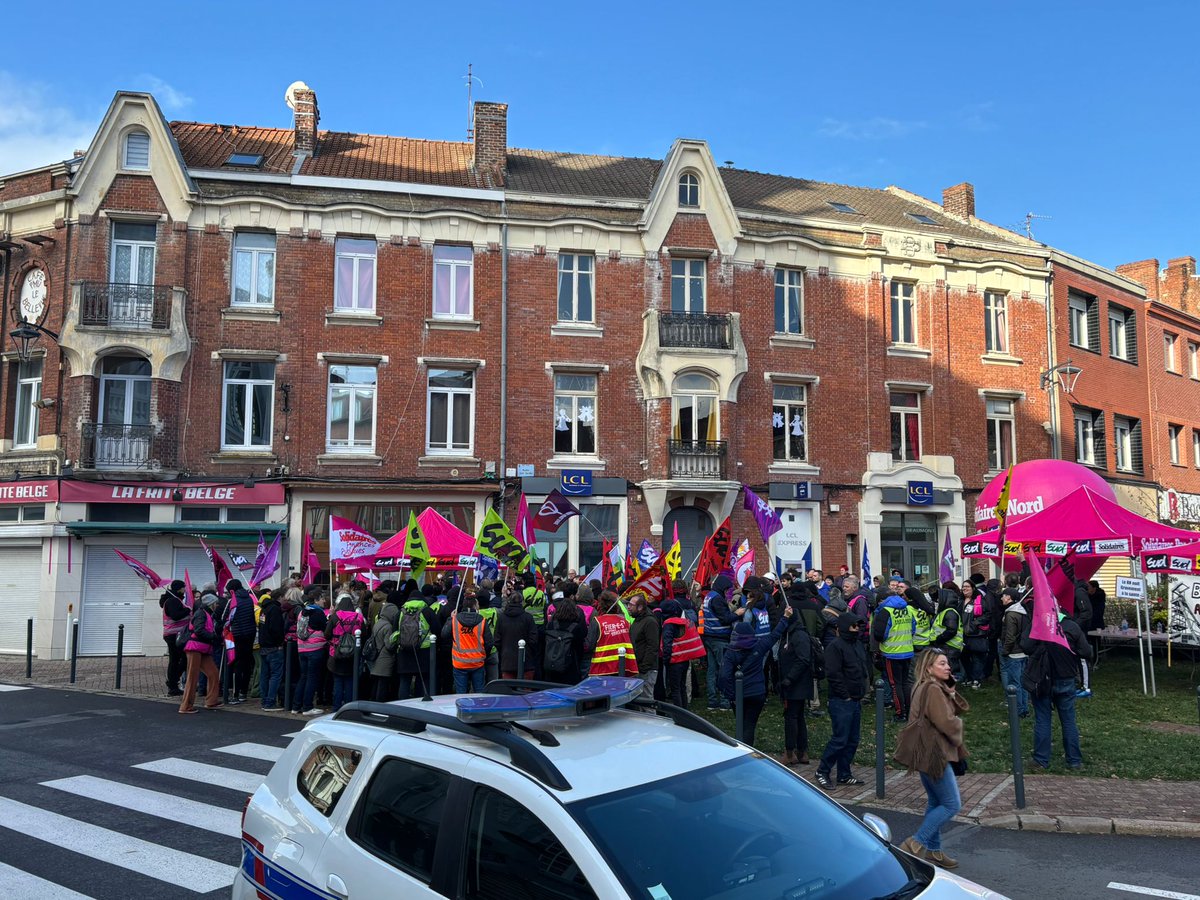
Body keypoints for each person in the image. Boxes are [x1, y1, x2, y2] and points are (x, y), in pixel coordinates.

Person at [894, 649, 969, 869]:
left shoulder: (924, 686)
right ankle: (916, 842)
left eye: (947, 663)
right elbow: (946, 722)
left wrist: (951, 693)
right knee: (951, 804)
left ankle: (934, 851)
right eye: (942, 664)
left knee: (936, 802)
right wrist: (959, 727)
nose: (948, 667)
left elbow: (945, 712)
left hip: (924, 752)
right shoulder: (933, 689)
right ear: (929, 668)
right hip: (936, 754)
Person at [1022, 611, 1091, 770]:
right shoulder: (1071, 626)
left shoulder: (1039, 624)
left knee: (1043, 719)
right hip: (1065, 677)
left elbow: (1025, 646)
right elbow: (1086, 651)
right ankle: (1074, 761)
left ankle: (1041, 760)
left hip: (1042, 678)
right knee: (1068, 720)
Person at [719, 609, 792, 747]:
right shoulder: (759, 646)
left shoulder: (730, 653)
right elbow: (775, 635)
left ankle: (741, 749)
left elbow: (724, 676)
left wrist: (731, 695)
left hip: (739, 695)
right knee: (750, 724)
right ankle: (748, 749)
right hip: (757, 693)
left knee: (741, 723)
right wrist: (785, 617)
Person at [815, 613, 870, 789]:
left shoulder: (857, 644)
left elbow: (861, 668)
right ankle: (822, 770)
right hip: (841, 701)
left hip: (855, 699)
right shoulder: (835, 647)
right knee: (840, 739)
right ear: (845, 627)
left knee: (852, 739)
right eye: (854, 626)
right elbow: (833, 674)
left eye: (858, 626)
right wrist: (845, 695)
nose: (857, 629)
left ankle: (844, 774)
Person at [873, 580, 916, 722]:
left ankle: (900, 713)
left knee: (895, 684)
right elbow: (913, 628)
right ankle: (909, 710)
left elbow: (879, 634)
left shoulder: (885, 611)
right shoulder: (908, 609)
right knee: (905, 683)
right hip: (907, 650)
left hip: (892, 653)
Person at [778, 604, 814, 766]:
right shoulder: (791, 633)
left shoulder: (798, 635)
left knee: (792, 717)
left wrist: (789, 679)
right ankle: (801, 751)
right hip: (795, 683)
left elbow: (803, 659)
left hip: (795, 684)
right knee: (797, 716)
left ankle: (790, 751)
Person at [179, 591, 223, 714]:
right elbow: (199, 630)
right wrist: (214, 637)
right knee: (192, 677)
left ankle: (211, 701)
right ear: (211, 604)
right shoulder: (201, 614)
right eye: (216, 603)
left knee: (213, 673)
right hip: (195, 647)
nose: (217, 605)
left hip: (201, 648)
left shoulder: (205, 613)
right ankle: (186, 706)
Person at [442, 594, 493, 694]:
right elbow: (489, 642)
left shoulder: (455, 620)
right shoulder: (482, 620)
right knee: (479, 693)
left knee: (461, 694)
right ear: (474, 606)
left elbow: (444, 634)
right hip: (477, 662)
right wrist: (484, 655)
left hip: (460, 662)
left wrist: (450, 618)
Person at [324, 594, 365, 711]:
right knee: (350, 682)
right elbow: (364, 634)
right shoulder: (358, 617)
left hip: (336, 653)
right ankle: (348, 707)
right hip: (353, 654)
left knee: (337, 682)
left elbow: (327, 634)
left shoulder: (335, 616)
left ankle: (336, 708)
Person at [660, 598, 705, 706]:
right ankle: (684, 710)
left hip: (674, 661)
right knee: (682, 687)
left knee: (675, 690)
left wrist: (666, 660)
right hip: (685, 660)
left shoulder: (668, 624)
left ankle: (678, 712)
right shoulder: (683, 622)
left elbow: (667, 644)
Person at [292, 589, 329, 715]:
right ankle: (307, 706)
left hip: (302, 648)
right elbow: (325, 629)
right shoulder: (318, 613)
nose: (324, 601)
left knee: (303, 677)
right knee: (312, 678)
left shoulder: (302, 611)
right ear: (316, 600)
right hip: (315, 648)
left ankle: (296, 706)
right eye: (322, 598)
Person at [700, 587, 736, 710]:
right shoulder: (717, 599)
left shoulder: (709, 596)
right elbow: (725, 618)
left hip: (709, 637)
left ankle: (712, 701)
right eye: (726, 590)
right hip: (720, 638)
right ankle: (725, 701)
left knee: (712, 670)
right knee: (724, 670)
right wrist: (737, 614)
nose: (726, 592)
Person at [588, 591, 638, 676]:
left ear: (601, 606)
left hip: (602, 668)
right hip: (624, 668)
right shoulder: (625, 622)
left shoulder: (597, 622)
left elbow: (589, 645)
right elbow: (633, 645)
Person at [224, 579, 257, 704]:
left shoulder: (232, 600)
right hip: (250, 633)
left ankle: (235, 694)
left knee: (236, 663)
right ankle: (243, 692)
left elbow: (225, 617)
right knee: (246, 663)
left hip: (237, 634)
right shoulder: (249, 598)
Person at [543, 596, 588, 685]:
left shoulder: (551, 625)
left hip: (551, 666)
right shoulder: (576, 628)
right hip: (570, 667)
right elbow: (580, 649)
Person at [999, 586, 1030, 718]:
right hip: (1023, 651)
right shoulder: (1022, 611)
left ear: (1008, 597)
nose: (1001, 598)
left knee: (1015, 683)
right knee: (1022, 682)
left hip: (1014, 653)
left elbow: (1010, 636)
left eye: (1003, 595)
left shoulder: (1011, 614)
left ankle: (1018, 710)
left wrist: (1005, 651)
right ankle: (1024, 708)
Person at [257, 588, 286, 711]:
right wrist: (279, 642)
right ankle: (270, 702)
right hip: (273, 647)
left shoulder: (264, 609)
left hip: (264, 645)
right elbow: (276, 629)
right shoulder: (275, 609)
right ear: (280, 597)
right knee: (275, 675)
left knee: (265, 675)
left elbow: (262, 626)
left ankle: (265, 700)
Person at [159, 579, 190, 697]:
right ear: (179, 588)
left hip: (173, 634)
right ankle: (172, 683)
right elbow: (175, 616)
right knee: (180, 659)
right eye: (183, 587)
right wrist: (187, 610)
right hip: (174, 635)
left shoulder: (174, 599)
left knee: (176, 659)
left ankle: (173, 683)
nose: (185, 589)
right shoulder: (173, 601)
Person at [496, 590, 536, 679]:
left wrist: (503, 652)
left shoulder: (502, 618)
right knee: (526, 687)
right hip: (526, 661)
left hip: (507, 661)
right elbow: (533, 640)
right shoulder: (528, 618)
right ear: (522, 602)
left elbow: (497, 640)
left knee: (508, 687)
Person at [628, 594, 661, 699]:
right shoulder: (637, 620)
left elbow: (653, 646)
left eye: (631, 605)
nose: (628, 607)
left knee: (646, 700)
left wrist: (644, 667)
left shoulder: (650, 622)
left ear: (640, 607)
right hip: (638, 668)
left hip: (647, 670)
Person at [931, 583, 964, 683]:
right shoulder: (945, 611)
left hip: (949, 646)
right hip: (946, 646)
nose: (937, 601)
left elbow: (951, 630)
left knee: (948, 673)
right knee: (946, 673)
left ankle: (949, 690)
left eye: (939, 599)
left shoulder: (950, 612)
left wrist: (938, 639)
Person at [368, 598, 400, 701]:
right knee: (382, 685)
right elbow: (389, 645)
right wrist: (396, 640)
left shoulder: (378, 623)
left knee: (376, 684)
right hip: (385, 659)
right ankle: (379, 705)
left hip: (376, 658)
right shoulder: (388, 627)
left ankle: (373, 703)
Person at [959, 580, 989, 688]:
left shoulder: (979, 600)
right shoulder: (960, 601)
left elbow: (987, 615)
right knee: (964, 657)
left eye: (967, 586)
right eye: (963, 586)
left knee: (977, 658)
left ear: (973, 588)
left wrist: (974, 624)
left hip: (976, 634)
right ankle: (970, 678)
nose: (965, 588)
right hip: (963, 635)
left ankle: (976, 679)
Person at [1071, 579, 1094, 698]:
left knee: (1082, 658)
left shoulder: (1079, 592)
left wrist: (1075, 626)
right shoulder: (1075, 591)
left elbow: (1087, 612)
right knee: (1078, 658)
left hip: (1079, 630)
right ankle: (1082, 685)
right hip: (1076, 629)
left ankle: (1086, 687)